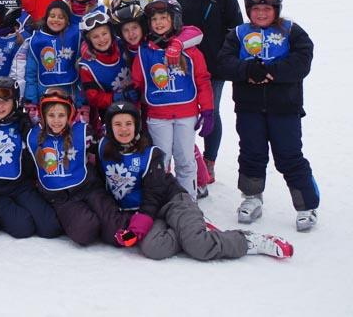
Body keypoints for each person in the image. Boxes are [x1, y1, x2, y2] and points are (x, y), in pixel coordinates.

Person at [99, 102, 293, 260]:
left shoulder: (151, 154)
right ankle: (189, 232)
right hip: (149, 213)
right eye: (118, 124)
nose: (123, 129)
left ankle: (246, 240)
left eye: (128, 124)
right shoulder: (102, 149)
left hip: (170, 202)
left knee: (199, 247)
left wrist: (138, 227)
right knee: (155, 249)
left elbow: (154, 194)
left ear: (137, 126)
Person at [216, 0, 318, 232]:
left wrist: (273, 72)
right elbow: (223, 63)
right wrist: (247, 69)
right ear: (249, 10)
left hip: (284, 107)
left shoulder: (289, 30)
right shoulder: (239, 33)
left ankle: (307, 206)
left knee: (289, 155)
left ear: (276, 9)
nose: (261, 13)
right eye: (256, 9)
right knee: (252, 153)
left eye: (267, 8)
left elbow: (304, 58)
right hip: (249, 107)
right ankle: (252, 197)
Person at [172, 0, 243, 185]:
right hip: (183, 65)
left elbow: (236, 32)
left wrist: (226, 59)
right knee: (182, 112)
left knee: (210, 111)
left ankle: (209, 161)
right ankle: (187, 159)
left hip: (213, 67)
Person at [131, 0, 213, 200]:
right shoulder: (144, 52)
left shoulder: (189, 50)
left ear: (174, 20)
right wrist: (135, 114)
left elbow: (202, 80)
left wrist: (208, 110)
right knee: (161, 159)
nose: (158, 22)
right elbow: (137, 83)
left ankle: (188, 201)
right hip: (158, 116)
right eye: (154, 19)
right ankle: (164, 200)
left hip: (186, 114)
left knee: (185, 159)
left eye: (164, 18)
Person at [29, 89, 126, 245]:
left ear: (69, 115)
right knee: (85, 233)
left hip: (88, 188)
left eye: (61, 115)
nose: (56, 121)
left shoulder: (83, 132)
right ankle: (92, 222)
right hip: (61, 198)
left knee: (117, 233)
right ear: (44, 116)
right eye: (51, 116)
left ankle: (118, 224)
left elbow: (102, 150)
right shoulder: (32, 136)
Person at [0, 78, 61, 239]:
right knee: (23, 228)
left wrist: (28, 138)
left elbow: (36, 160)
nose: (0, 106)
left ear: (15, 101)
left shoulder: (22, 123)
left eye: (6, 101)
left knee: (50, 227)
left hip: (20, 186)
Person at [77, 10, 138, 138]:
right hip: (112, 112)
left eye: (104, 33)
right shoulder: (88, 67)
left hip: (138, 104)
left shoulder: (123, 46)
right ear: (88, 40)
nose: (102, 39)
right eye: (95, 36)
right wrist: (115, 98)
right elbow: (93, 97)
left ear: (111, 33)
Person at [22, 0, 81, 119]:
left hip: (70, 93)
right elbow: (31, 73)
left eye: (61, 17)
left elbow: (81, 72)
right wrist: (31, 101)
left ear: (67, 20)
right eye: (52, 16)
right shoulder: (37, 39)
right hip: (43, 94)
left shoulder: (74, 36)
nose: (56, 20)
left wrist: (81, 103)